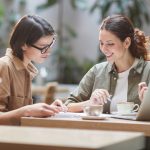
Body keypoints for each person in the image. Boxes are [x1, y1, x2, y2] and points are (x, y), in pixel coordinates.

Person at [65, 14, 150, 114]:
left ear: (126, 42)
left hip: (137, 130)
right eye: (101, 43)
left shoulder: (147, 71)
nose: (104, 49)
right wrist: (90, 102)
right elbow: (67, 106)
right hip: (102, 130)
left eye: (110, 44)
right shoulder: (97, 71)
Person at [0, 15, 66, 125]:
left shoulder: (27, 70)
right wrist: (28, 111)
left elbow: (18, 113)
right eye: (43, 47)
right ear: (23, 45)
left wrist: (47, 109)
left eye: (51, 44)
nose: (48, 51)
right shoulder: (4, 66)